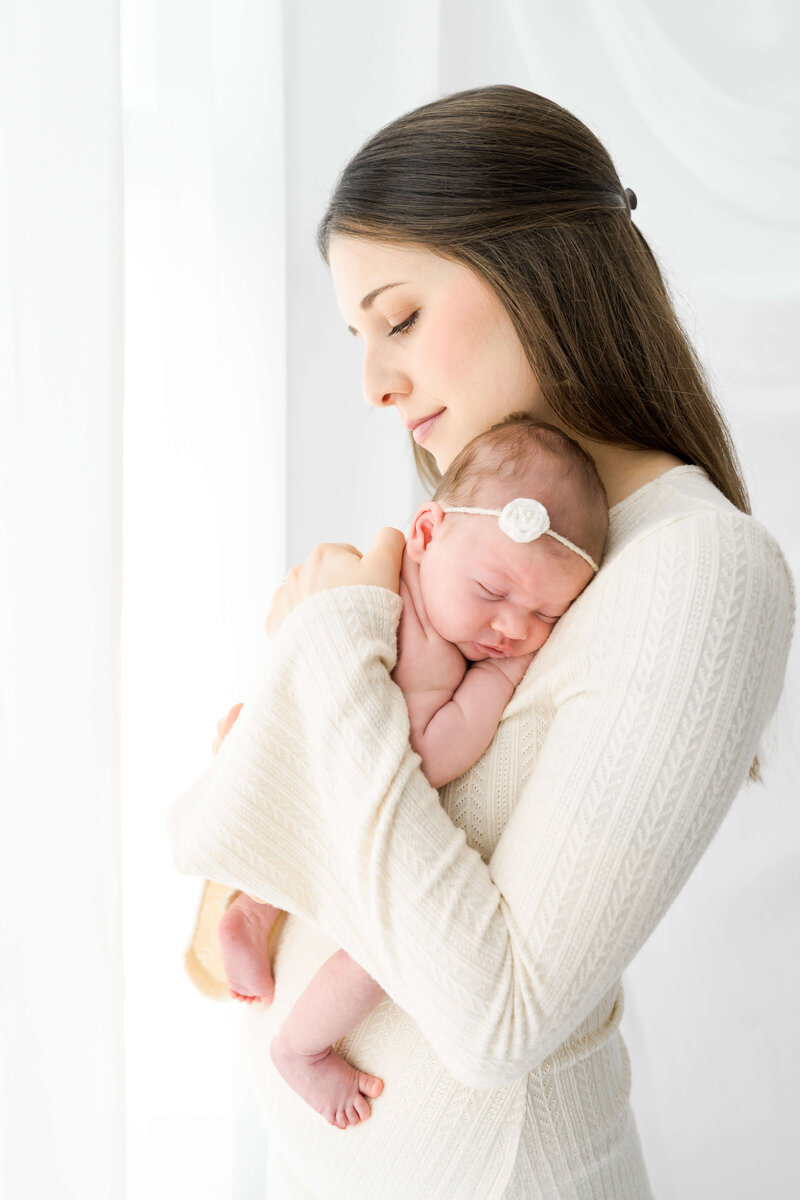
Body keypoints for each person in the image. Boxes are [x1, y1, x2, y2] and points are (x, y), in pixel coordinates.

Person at [167, 85, 794, 1199]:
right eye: (358, 336)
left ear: (537, 269)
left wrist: (324, 654)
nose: (373, 383)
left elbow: (495, 1017)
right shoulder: (488, 542)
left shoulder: (695, 568)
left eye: (398, 318)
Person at [214, 417, 608, 1131]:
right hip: (332, 769)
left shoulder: (390, 570)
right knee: (383, 946)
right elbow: (425, 753)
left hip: (287, 754)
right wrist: (502, 682)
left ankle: (251, 908)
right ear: (427, 534)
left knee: (299, 840)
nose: (512, 629)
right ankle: (301, 1047)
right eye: (493, 589)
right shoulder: (429, 642)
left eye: (548, 613)